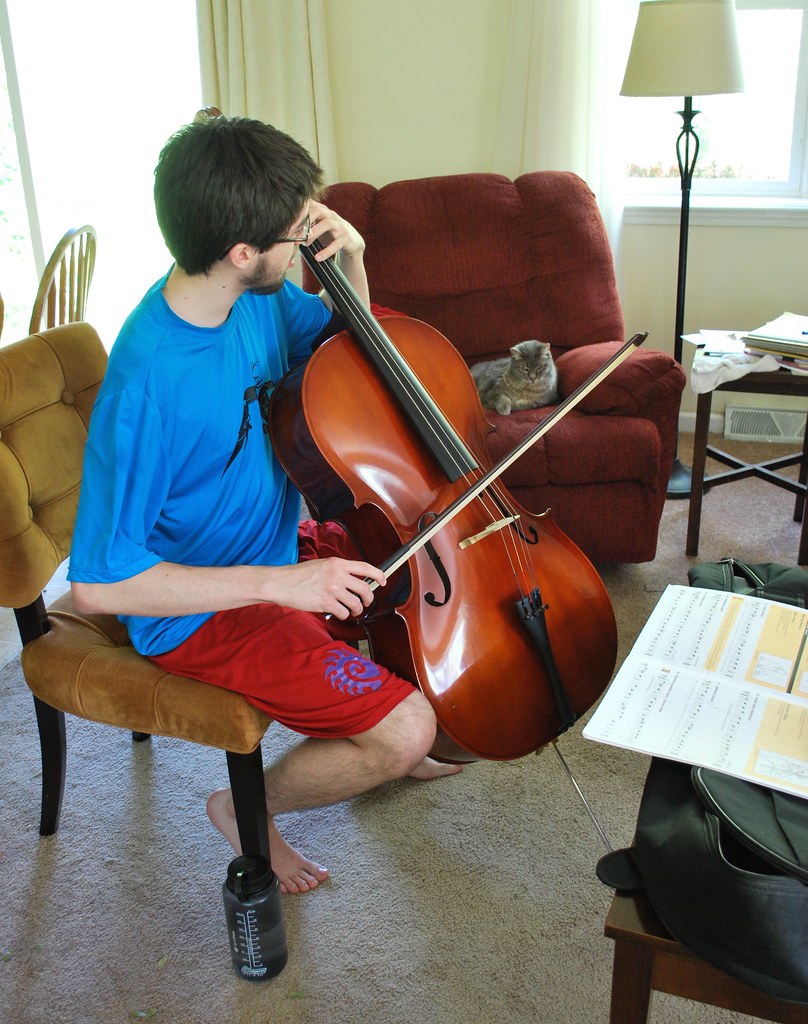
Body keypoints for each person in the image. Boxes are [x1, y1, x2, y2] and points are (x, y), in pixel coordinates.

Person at [68, 114, 461, 894]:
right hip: (202, 611)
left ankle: (368, 724)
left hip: (283, 546)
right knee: (409, 729)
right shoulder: (146, 386)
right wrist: (284, 586)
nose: (303, 247)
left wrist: (348, 261)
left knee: (419, 638)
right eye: (296, 235)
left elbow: (349, 356)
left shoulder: (253, 297)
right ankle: (242, 807)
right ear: (241, 251)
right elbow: (100, 586)